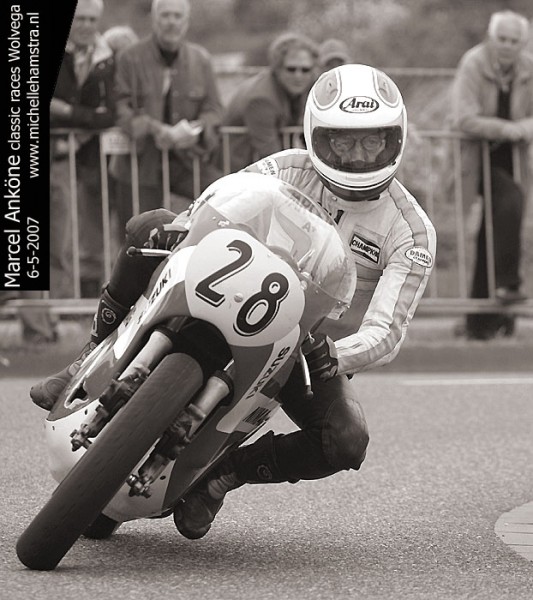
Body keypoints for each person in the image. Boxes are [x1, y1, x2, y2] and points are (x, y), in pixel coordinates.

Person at [31, 64, 436, 541]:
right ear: (317, 136)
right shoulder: (286, 166)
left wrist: (334, 355)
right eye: (342, 141)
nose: (357, 154)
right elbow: (218, 205)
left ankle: (224, 475)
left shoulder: (411, 231)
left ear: (395, 141)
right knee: (149, 228)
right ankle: (91, 351)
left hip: (304, 345)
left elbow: (386, 331)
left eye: (372, 141)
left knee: (347, 440)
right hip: (229, 287)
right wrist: (180, 227)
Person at [450, 10, 533, 340]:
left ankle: (481, 321)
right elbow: (463, 117)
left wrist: (519, 130)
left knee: (493, 229)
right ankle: (508, 284)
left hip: (511, 159)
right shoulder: (473, 63)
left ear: (522, 43)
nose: (508, 46)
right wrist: (509, 130)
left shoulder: (527, 67)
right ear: (490, 37)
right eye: (503, 39)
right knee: (511, 200)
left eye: (515, 40)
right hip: (475, 158)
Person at [110, 0, 224, 231]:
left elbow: (215, 110)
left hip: (187, 160)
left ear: (186, 22)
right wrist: (154, 128)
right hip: (140, 162)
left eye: (177, 16)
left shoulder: (200, 59)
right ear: (154, 19)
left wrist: (197, 130)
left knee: (223, 199)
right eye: (165, 15)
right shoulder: (129, 58)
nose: (171, 22)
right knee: (137, 232)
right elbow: (120, 109)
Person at [51, 0, 116, 298]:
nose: (86, 25)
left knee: (79, 233)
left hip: (83, 154)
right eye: (80, 19)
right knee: (55, 238)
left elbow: (107, 115)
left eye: (92, 19)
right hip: (54, 153)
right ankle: (46, 317)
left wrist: (66, 111)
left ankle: (64, 307)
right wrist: (84, 116)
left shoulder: (104, 57)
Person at [220, 31, 318, 173]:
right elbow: (272, 156)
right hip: (238, 172)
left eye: (305, 70)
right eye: (291, 69)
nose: (299, 76)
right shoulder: (261, 99)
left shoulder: (297, 90)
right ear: (277, 69)